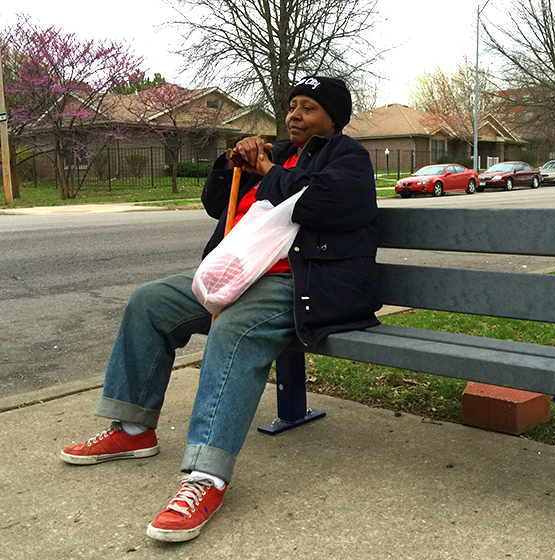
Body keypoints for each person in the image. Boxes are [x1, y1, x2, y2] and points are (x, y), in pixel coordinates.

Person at [59, 76, 382, 542]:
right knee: (150, 301)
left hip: (300, 284)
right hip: (234, 277)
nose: (294, 115)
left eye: (309, 108)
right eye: (292, 106)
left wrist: (268, 167)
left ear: (334, 118)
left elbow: (321, 203)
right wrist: (229, 164)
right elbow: (217, 206)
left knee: (234, 330)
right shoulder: (277, 153)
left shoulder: (347, 157)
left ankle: (205, 477)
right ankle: (132, 428)